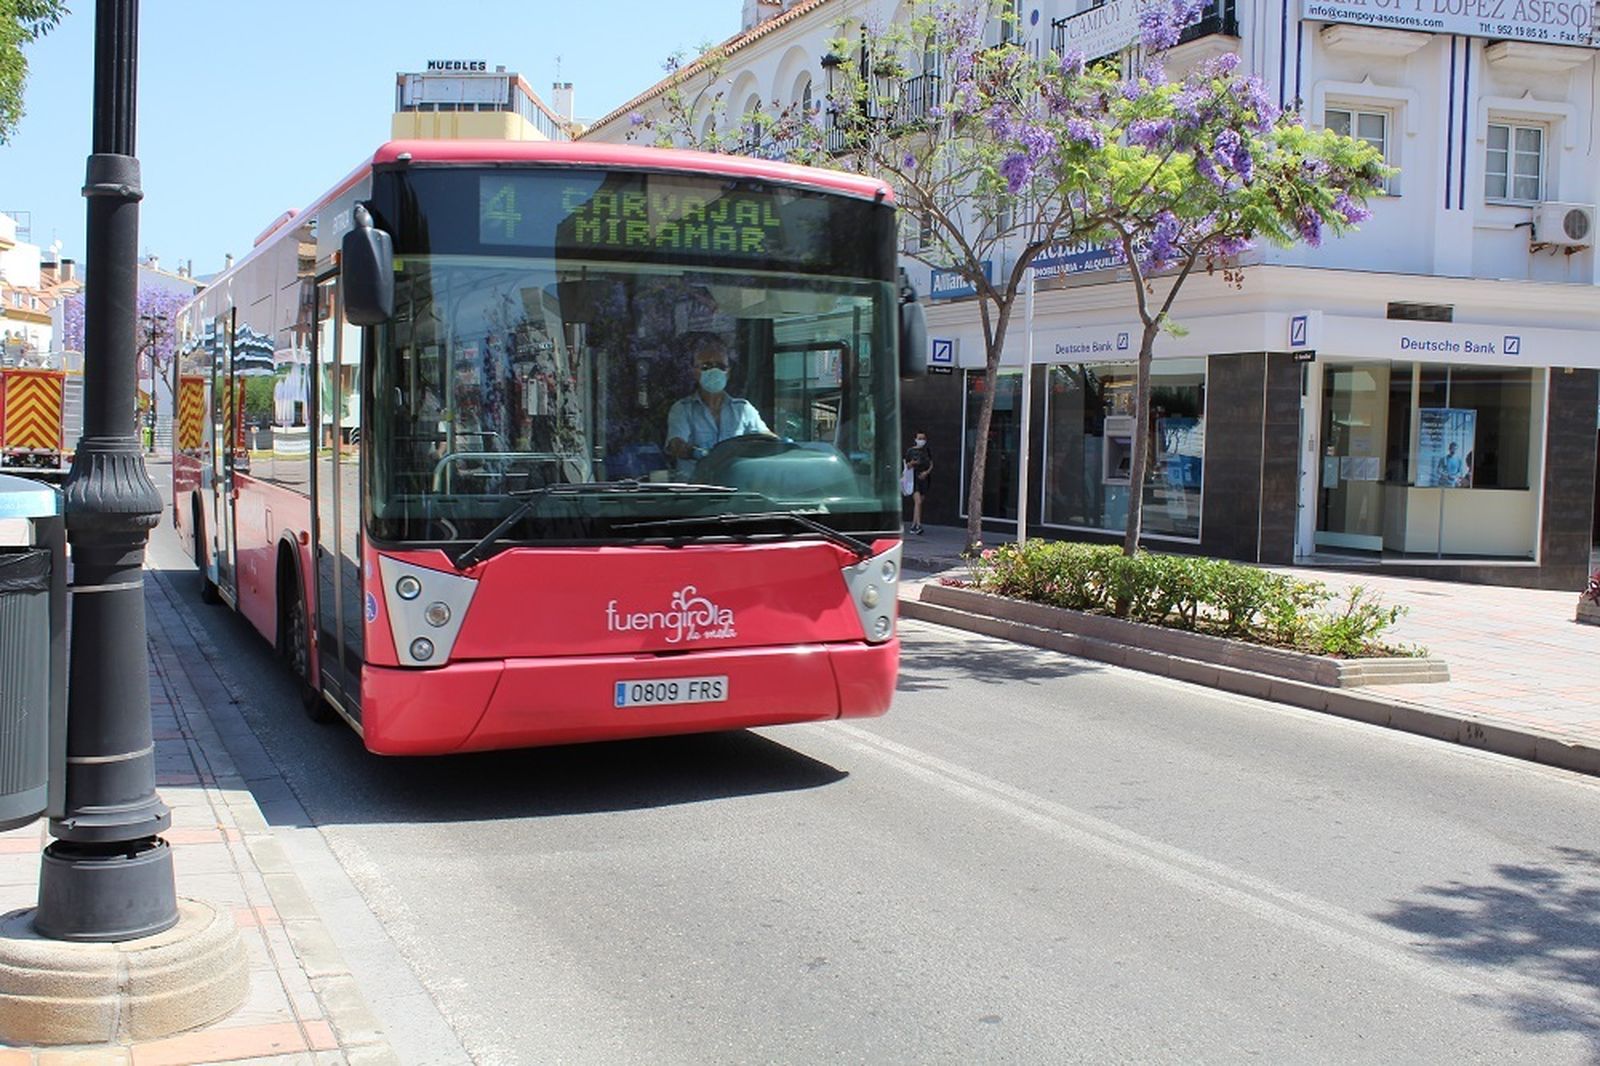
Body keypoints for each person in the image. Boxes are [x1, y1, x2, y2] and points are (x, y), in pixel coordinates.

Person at [664, 333, 771, 477]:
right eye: (706, 366)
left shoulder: (743, 410)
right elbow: (676, 445)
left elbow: (766, 438)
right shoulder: (682, 409)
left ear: (728, 373)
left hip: (735, 489)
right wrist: (698, 453)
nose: (714, 371)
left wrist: (780, 444)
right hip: (695, 491)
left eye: (721, 366)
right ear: (695, 372)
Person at [903, 430, 933, 534]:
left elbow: (931, 463)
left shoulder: (927, 450)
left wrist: (926, 472)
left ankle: (914, 525)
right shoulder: (910, 451)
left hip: (924, 479)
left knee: (920, 503)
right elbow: (906, 465)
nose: (922, 441)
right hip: (914, 478)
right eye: (919, 438)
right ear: (915, 439)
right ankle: (918, 525)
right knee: (918, 501)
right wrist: (912, 462)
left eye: (923, 438)